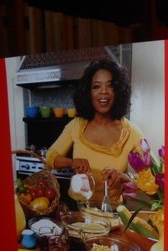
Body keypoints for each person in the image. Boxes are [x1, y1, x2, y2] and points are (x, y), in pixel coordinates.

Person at [45, 59, 146, 204]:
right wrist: (71, 162)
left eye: (110, 86)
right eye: (96, 86)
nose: (103, 91)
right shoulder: (76, 125)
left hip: (112, 212)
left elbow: (151, 178)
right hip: (78, 208)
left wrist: (126, 178)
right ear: (88, 92)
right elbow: (50, 157)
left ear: (118, 91)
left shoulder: (132, 132)